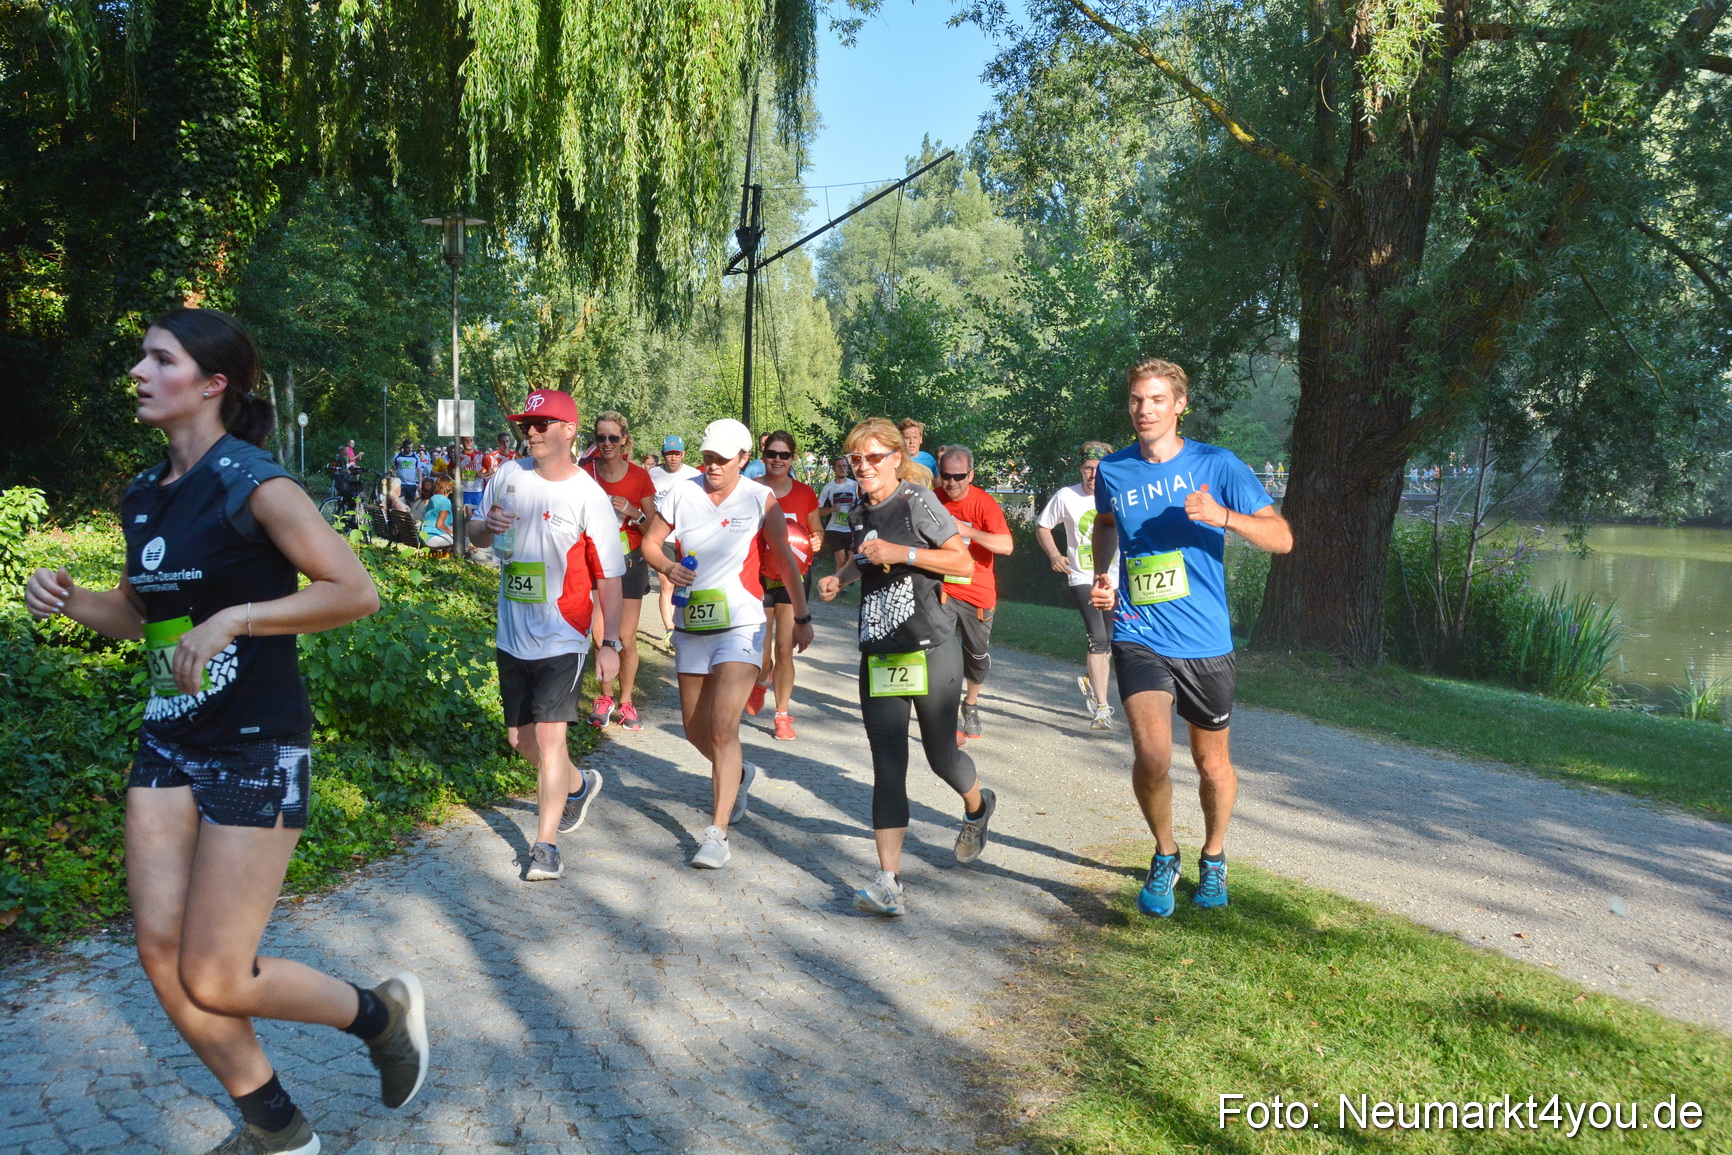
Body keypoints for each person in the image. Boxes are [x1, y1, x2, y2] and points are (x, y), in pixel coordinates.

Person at [24, 307, 426, 1155]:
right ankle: (277, 1127)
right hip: (168, 739)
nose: (137, 371)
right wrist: (71, 600)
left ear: (212, 384)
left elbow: (355, 590)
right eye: (139, 356)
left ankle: (381, 1014)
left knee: (215, 972)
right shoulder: (144, 493)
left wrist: (237, 619)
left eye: (158, 358)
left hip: (256, 744)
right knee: (162, 958)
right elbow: (141, 616)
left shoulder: (256, 482)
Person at [1089, 359, 1292, 916]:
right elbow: (1105, 525)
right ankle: (1165, 854)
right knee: (1152, 756)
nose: (1144, 409)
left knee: (1211, 766)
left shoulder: (1217, 464)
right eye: (1136, 399)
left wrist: (1225, 515)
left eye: (1156, 399)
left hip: (1205, 641)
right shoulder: (1114, 470)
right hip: (1138, 632)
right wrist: (1103, 574)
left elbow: (1282, 537)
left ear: (1179, 405)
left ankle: (1215, 856)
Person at [816, 419, 997, 918]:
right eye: (856, 459)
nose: (864, 467)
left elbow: (961, 563)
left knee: (941, 758)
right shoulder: (856, 508)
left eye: (874, 458)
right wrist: (841, 578)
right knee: (887, 764)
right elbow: (863, 559)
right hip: (879, 650)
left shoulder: (918, 502)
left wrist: (904, 552)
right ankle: (888, 880)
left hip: (930, 648)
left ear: (896, 458)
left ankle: (979, 807)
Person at [466, 389, 626, 883]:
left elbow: (610, 577)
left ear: (568, 431)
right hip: (512, 633)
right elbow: (474, 533)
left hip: (564, 635)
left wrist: (610, 643)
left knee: (552, 740)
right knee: (520, 740)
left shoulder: (587, 495)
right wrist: (485, 528)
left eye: (541, 424)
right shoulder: (508, 476)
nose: (530, 432)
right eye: (526, 424)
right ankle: (579, 786)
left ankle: (546, 846)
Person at [641, 419, 813, 870]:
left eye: (722, 458)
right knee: (695, 728)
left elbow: (787, 560)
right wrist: (667, 566)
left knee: (722, 728)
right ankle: (737, 774)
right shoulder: (683, 491)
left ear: (742, 458)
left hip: (742, 622)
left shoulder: (760, 498)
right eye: (708, 457)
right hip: (693, 622)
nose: (711, 465)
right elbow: (650, 542)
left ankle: (716, 834)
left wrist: (803, 617)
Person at [581, 410, 658, 732]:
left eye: (614, 437)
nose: (607, 443)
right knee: (601, 637)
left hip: (629, 559)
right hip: (594, 559)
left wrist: (632, 511)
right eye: (601, 438)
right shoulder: (585, 472)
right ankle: (605, 698)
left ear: (624, 439)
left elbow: (655, 525)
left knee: (625, 637)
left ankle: (627, 702)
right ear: (595, 440)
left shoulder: (640, 476)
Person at [933, 445, 1014, 745]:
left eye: (958, 476)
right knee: (943, 652)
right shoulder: (933, 498)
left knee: (976, 656)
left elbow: (1006, 546)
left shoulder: (984, 503)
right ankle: (947, 714)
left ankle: (971, 705)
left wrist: (968, 532)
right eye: (945, 476)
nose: (951, 483)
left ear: (971, 475)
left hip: (977, 592)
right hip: (943, 588)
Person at [1036, 442, 1120, 730]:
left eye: (1098, 469)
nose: (1092, 475)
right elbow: (1043, 525)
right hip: (1082, 576)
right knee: (1098, 638)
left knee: (1111, 640)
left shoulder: (1120, 496)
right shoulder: (1066, 496)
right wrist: (1054, 555)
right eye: (1087, 468)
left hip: (1116, 577)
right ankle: (1102, 708)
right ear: (1080, 470)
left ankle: (1091, 678)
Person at [746, 430, 823, 741]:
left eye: (784, 455)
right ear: (763, 457)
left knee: (784, 650)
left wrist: (817, 540)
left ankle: (781, 715)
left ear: (793, 457)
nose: (777, 460)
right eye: (771, 454)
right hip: (758, 577)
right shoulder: (749, 489)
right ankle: (762, 680)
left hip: (793, 579)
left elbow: (816, 531)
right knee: (762, 655)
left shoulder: (805, 494)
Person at [647, 435, 702, 639]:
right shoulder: (653, 474)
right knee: (667, 583)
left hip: (686, 538)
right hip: (663, 537)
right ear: (663, 455)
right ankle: (670, 630)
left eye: (677, 454)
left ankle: (687, 624)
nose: (673, 458)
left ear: (684, 454)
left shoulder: (694, 475)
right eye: (669, 454)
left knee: (687, 582)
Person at [817, 456, 858, 574]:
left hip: (851, 528)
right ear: (834, 468)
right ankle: (840, 586)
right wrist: (831, 509)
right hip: (834, 529)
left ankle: (847, 577)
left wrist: (856, 505)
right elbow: (818, 510)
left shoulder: (855, 486)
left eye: (844, 466)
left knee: (851, 560)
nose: (842, 468)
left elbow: (866, 505)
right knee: (841, 560)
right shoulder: (828, 487)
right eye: (839, 466)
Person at [420, 477, 455, 550]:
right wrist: (452, 532)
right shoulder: (446, 501)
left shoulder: (433, 498)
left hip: (425, 533)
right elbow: (440, 524)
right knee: (460, 538)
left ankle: (442, 556)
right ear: (449, 488)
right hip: (433, 535)